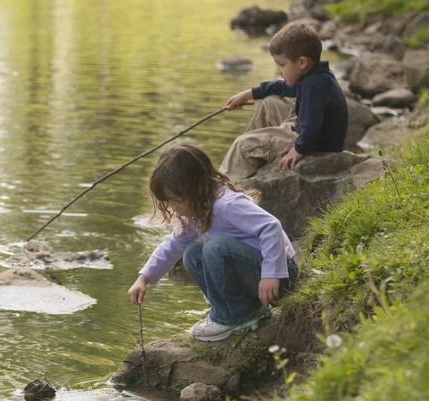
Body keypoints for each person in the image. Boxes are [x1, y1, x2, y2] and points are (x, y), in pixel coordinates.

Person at [127, 144, 298, 342]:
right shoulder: (197, 212)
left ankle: (233, 317)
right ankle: (233, 309)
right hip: (255, 277)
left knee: (215, 247)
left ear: (197, 188)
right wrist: (144, 278)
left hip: (280, 275)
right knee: (192, 254)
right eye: (169, 202)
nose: (174, 208)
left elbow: (270, 227)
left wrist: (271, 274)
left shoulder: (226, 205)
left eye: (178, 200)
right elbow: (172, 245)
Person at [219, 22, 349, 182]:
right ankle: (250, 159)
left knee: (242, 144)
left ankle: (223, 188)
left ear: (302, 62)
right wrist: (249, 94)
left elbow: (311, 127)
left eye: (281, 65)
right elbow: (281, 87)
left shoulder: (312, 86)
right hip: (310, 132)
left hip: (315, 145)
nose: (277, 71)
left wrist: (298, 149)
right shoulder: (315, 75)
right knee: (270, 103)